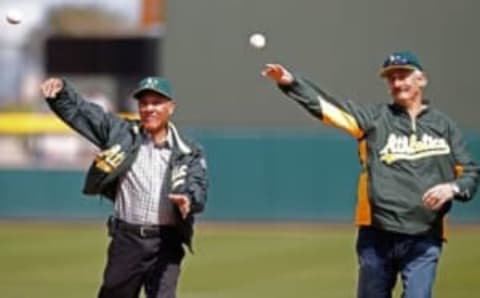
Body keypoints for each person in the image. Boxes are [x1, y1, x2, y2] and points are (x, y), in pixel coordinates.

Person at [262, 51, 479, 298]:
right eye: (392, 78)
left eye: (403, 76)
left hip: (424, 234)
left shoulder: (444, 126)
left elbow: (469, 172)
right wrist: (292, 82)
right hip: (378, 234)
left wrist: (453, 188)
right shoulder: (375, 120)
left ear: (422, 80)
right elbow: (331, 109)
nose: (397, 83)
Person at [40, 76, 208, 298]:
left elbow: (197, 184)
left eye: (156, 102)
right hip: (128, 239)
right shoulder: (122, 134)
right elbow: (84, 114)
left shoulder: (187, 150)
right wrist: (62, 92)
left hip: (167, 241)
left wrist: (189, 199)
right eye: (144, 103)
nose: (149, 108)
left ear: (171, 107)